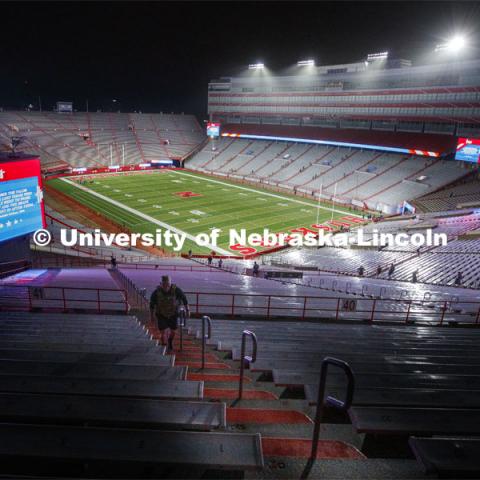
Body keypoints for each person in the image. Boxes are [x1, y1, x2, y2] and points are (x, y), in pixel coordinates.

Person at [149, 275, 189, 352]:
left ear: (170, 283)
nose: (166, 287)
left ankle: (170, 340)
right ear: (161, 284)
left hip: (173, 314)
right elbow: (152, 305)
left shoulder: (176, 290)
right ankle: (163, 347)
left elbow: (184, 299)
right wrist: (151, 316)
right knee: (163, 331)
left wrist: (188, 310)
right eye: (164, 285)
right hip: (161, 314)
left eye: (168, 284)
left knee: (173, 331)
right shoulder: (156, 292)